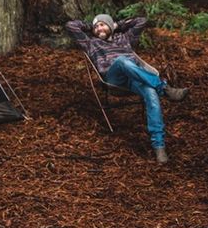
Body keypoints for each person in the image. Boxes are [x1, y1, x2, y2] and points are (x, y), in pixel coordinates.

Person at [66, 13, 188, 164]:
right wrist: (91, 26)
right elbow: (71, 26)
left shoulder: (125, 38)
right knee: (122, 61)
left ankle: (159, 146)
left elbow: (141, 21)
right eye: (96, 27)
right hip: (114, 80)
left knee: (151, 93)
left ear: (110, 26)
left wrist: (117, 25)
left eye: (102, 25)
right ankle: (163, 88)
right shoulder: (91, 43)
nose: (98, 29)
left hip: (135, 78)